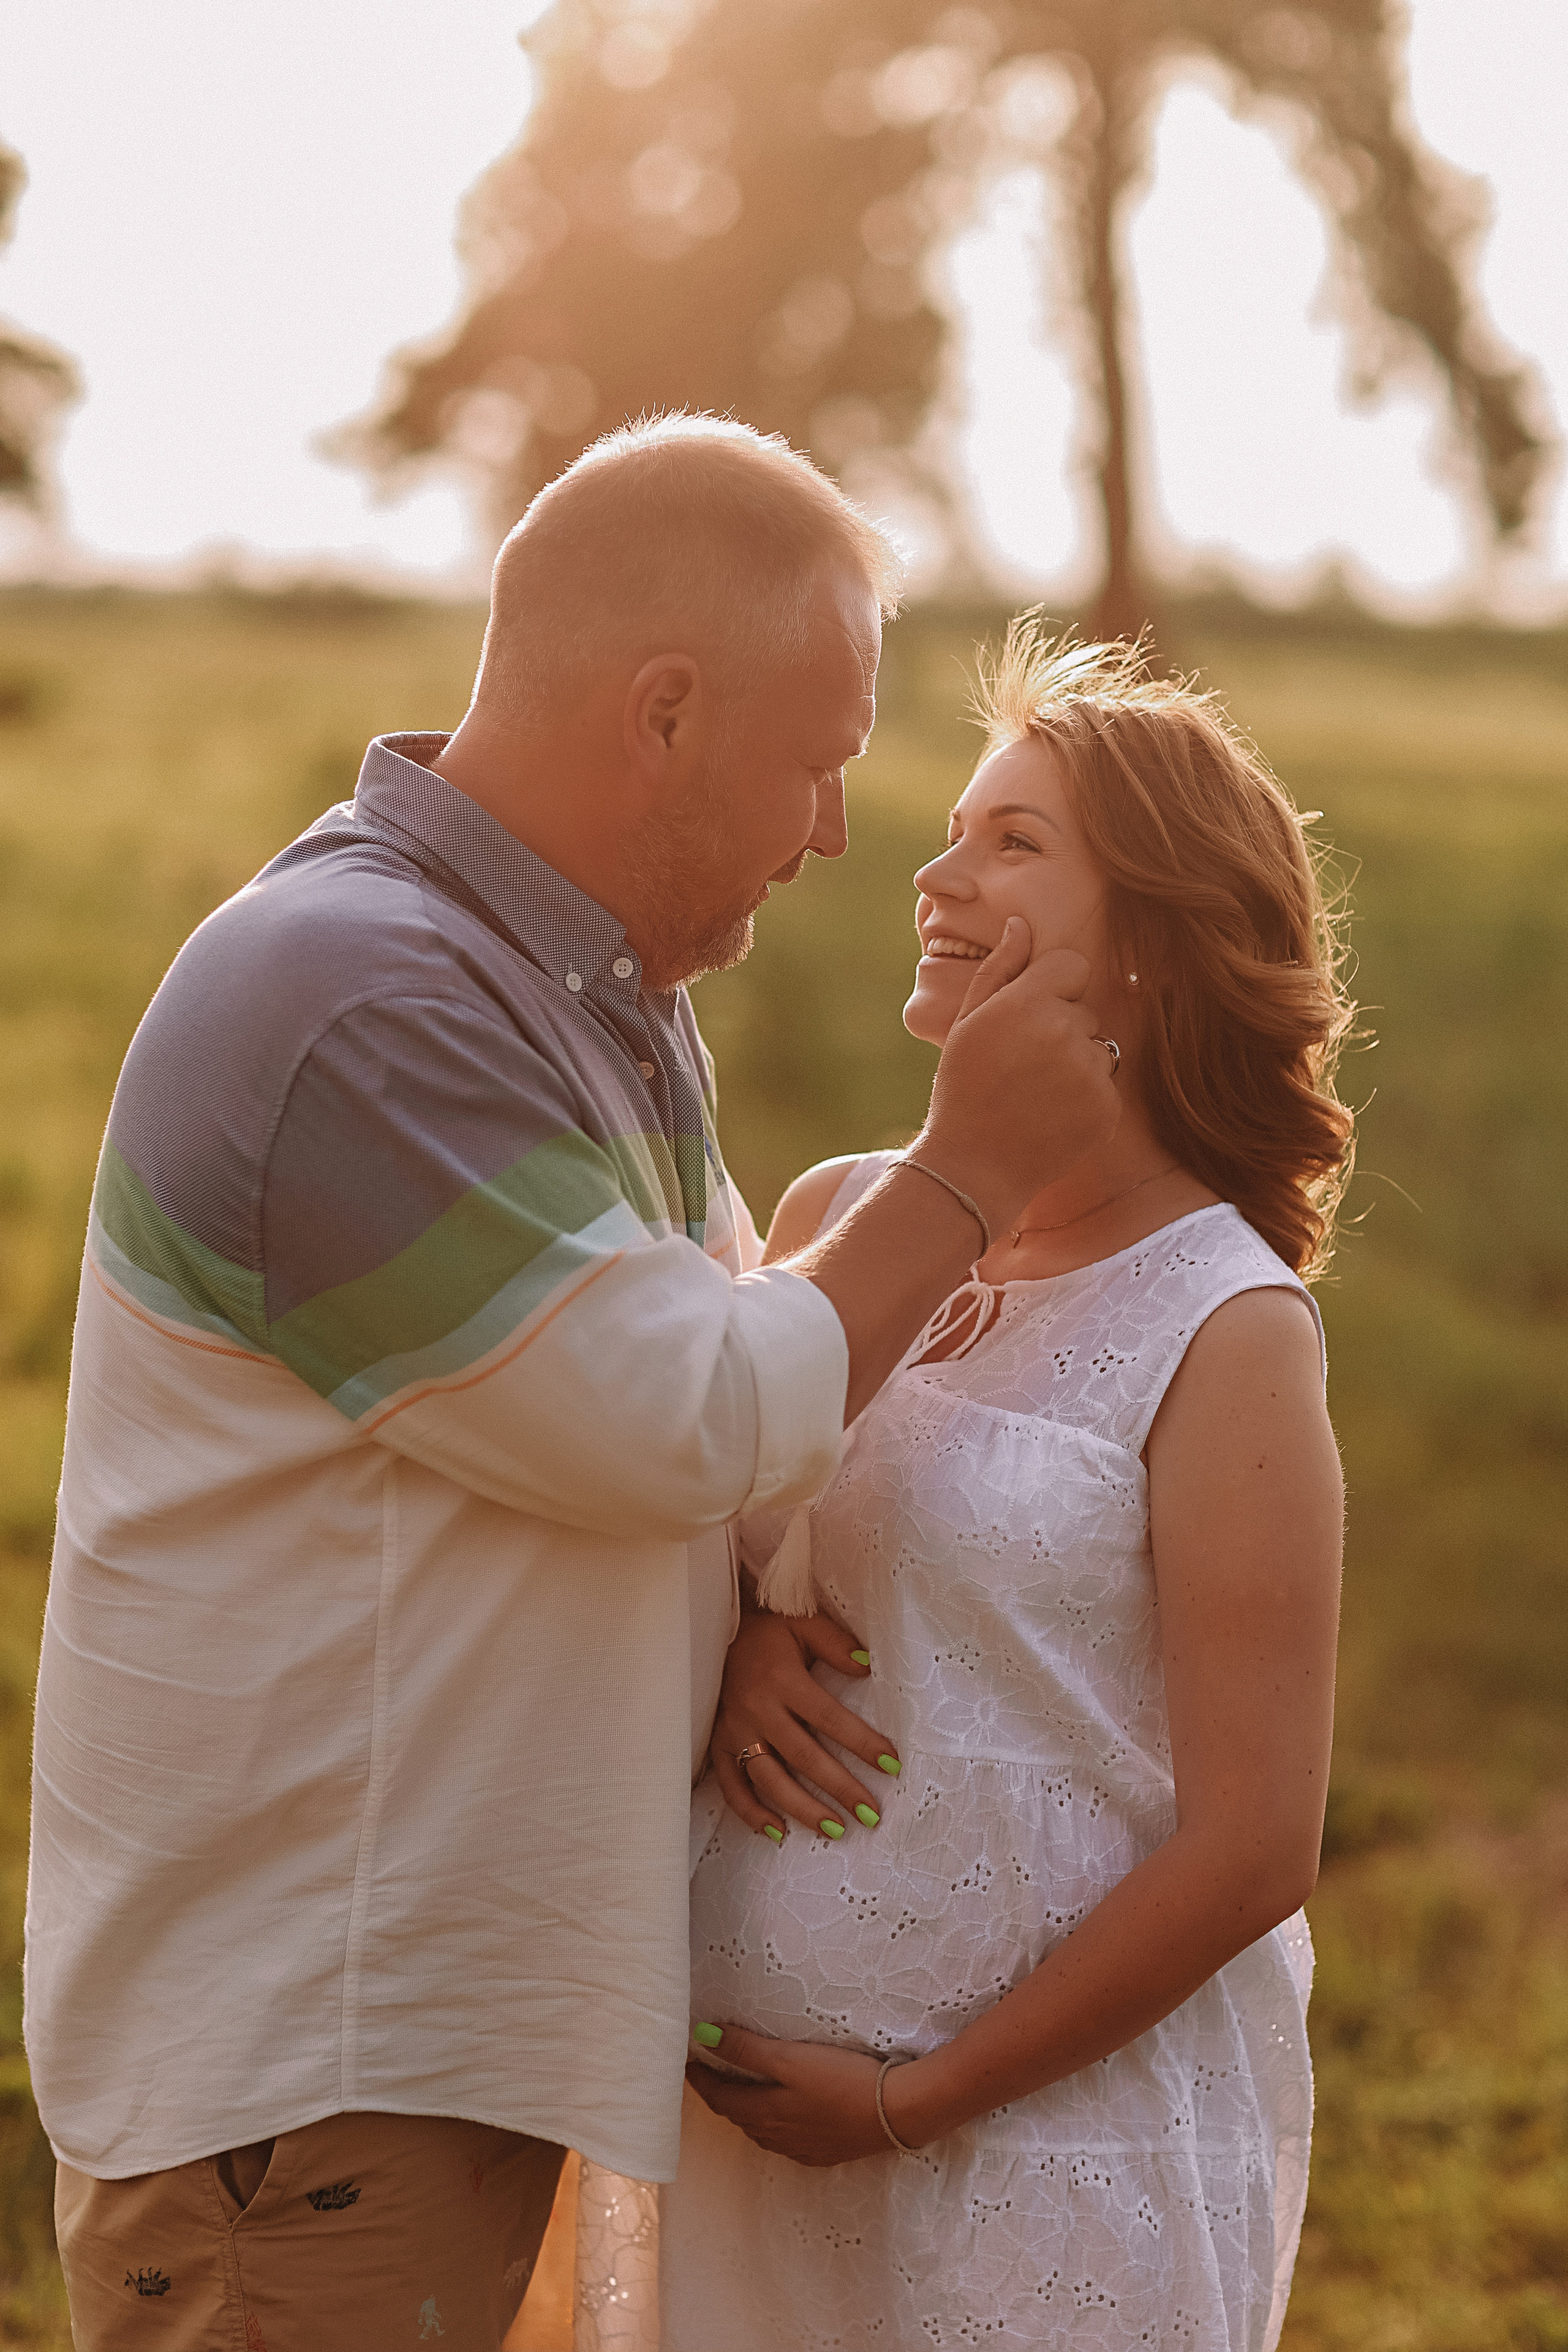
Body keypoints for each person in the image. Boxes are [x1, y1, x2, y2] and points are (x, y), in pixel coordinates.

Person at [26, 423, 1120, 2350]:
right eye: (822, 761)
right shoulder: (361, 1006)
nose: (837, 833)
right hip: (318, 2100)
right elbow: (679, 1411)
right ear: (668, 713)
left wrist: (730, 1635)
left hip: (438, 2061)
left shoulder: (581, 997)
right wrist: (965, 1178)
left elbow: (666, 1401)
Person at [657, 625, 1354, 2350]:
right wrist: (743, 1634)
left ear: (1156, 943)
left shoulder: (1226, 1319)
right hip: (741, 2148)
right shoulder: (835, 1215)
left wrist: (913, 2099)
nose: (933, 872)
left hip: (1048, 2164)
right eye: (956, 830)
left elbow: (1257, 1842)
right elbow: (697, 1494)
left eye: (1012, 843)